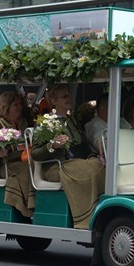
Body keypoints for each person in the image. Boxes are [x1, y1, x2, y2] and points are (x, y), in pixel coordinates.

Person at [31, 84, 105, 229]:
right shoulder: (46, 122)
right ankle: (85, 218)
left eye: (69, 95)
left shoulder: (72, 120)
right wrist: (52, 145)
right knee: (89, 168)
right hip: (56, 167)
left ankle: (98, 211)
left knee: (98, 164)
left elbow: (81, 143)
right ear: (54, 100)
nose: (69, 98)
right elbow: (35, 154)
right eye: (64, 96)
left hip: (77, 162)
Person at [0, 91, 35, 218]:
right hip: (8, 164)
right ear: (6, 107)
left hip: (27, 159)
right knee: (28, 168)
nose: (19, 107)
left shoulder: (24, 122)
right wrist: (0, 153)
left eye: (20, 104)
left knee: (35, 166)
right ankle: (30, 206)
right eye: (15, 105)